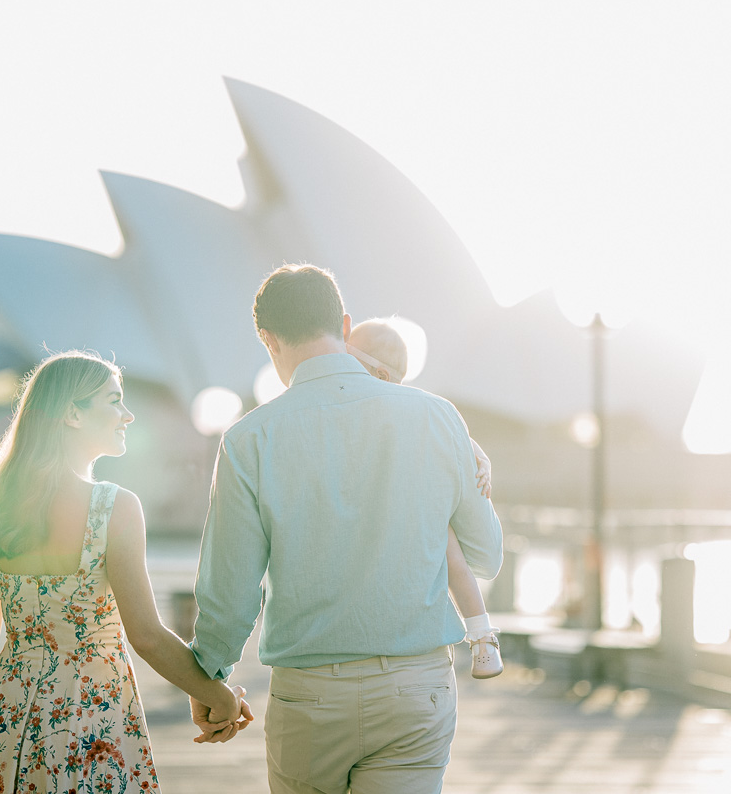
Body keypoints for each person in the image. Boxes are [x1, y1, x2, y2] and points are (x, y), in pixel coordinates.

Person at [190, 264, 504, 794]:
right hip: (415, 690)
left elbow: (231, 592)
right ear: (344, 321)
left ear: (268, 339)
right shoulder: (436, 417)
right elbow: (487, 556)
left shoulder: (248, 440)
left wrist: (209, 676)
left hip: (310, 698)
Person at [0, 350, 253, 794]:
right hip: (91, 718)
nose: (128, 415)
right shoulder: (112, 507)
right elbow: (147, 636)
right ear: (73, 415)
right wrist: (218, 696)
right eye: (114, 401)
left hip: (4, 721)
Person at [345, 318, 504, 679]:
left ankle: (482, 635)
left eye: (347, 359)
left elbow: (460, 441)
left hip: (411, 499)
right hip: (413, 501)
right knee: (451, 556)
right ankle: (481, 635)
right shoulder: (424, 409)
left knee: (453, 557)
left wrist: (480, 458)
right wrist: (480, 456)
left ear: (381, 375)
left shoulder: (392, 407)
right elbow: (459, 438)